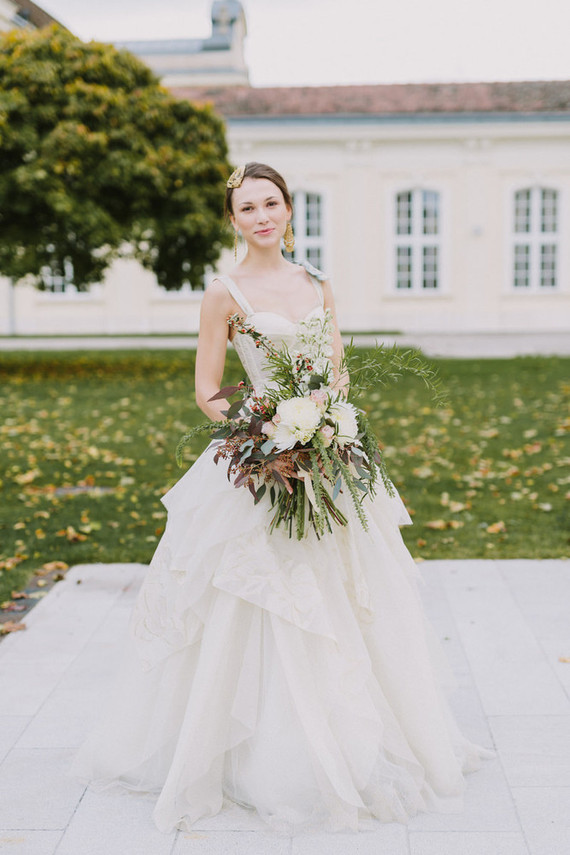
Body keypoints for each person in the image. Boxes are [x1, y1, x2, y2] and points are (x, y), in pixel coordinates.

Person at [70, 162, 491, 834]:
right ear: (232, 219)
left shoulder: (318, 284)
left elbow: (339, 368)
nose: (262, 216)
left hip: (326, 457)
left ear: (289, 209)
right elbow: (207, 386)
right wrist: (260, 428)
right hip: (258, 460)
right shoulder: (223, 292)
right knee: (252, 600)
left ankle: (354, 736)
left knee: (346, 596)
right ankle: (249, 748)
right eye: (247, 208)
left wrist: (326, 414)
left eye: (272, 203)